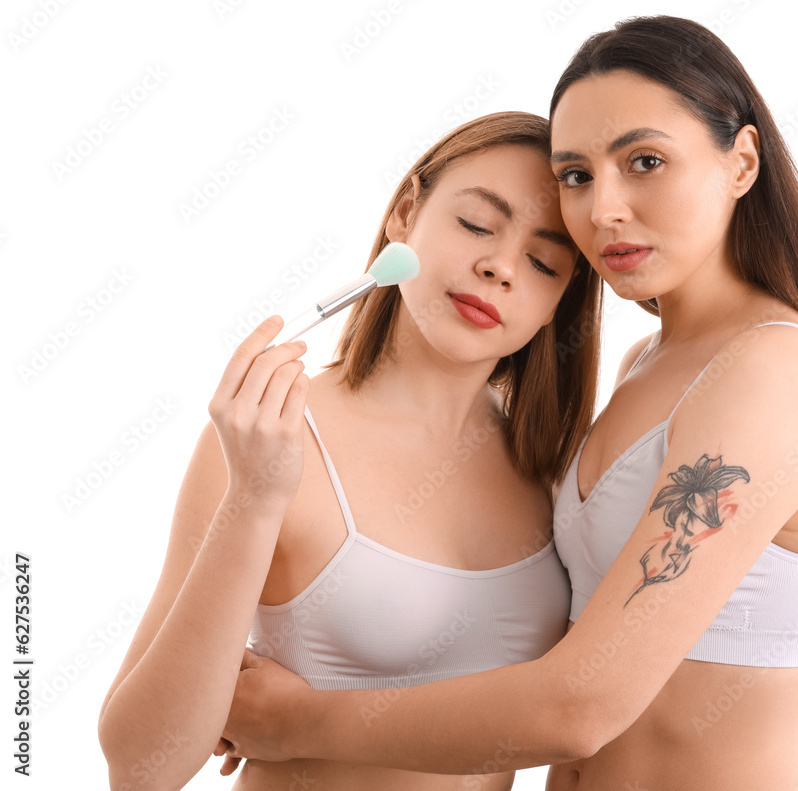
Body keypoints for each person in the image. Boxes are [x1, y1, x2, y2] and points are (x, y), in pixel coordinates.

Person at [217, 15, 798, 790]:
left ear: (741, 161)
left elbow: (582, 704)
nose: (603, 208)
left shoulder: (772, 372)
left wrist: (299, 721)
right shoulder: (649, 362)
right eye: (577, 174)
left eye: (644, 161)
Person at [97, 110, 603, 791]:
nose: (500, 266)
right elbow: (140, 766)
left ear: (557, 302)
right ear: (404, 214)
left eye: (543, 261)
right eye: (477, 225)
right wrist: (252, 499)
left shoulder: (556, 465)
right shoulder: (275, 437)